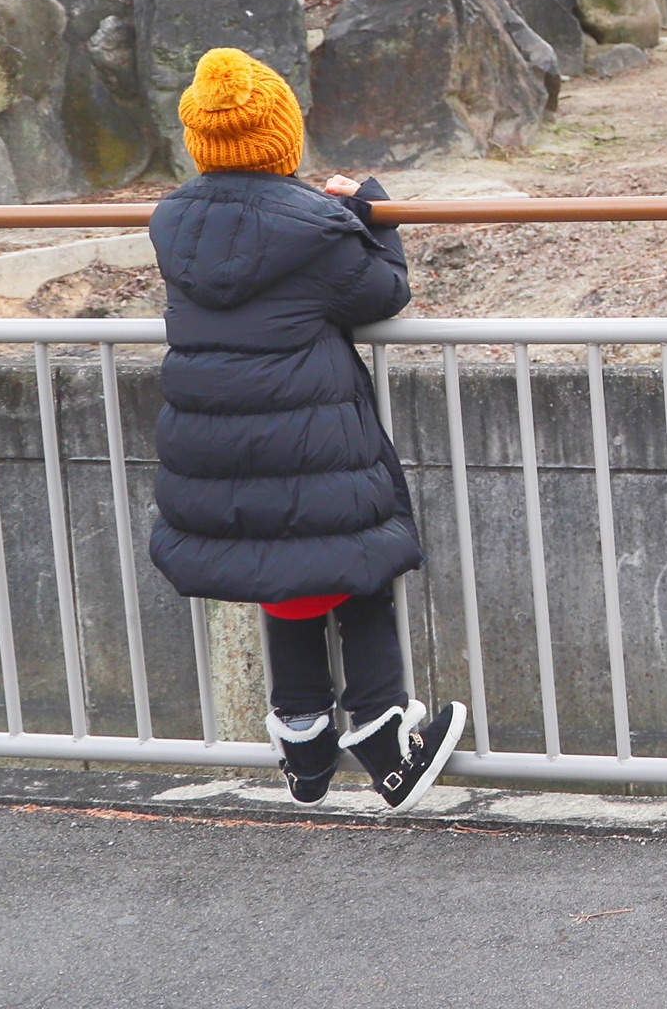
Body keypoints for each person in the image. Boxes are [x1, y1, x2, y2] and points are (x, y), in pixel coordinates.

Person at [146, 45, 467, 809]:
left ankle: (304, 744)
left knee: (280, 580)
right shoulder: (314, 226)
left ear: (201, 143)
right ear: (281, 139)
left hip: (212, 447)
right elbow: (383, 294)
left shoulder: (174, 221)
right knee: (356, 572)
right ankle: (387, 737)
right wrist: (374, 210)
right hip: (308, 441)